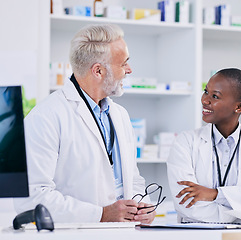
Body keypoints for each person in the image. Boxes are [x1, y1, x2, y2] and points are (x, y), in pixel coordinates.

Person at [14, 24, 155, 224]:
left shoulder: (120, 115)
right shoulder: (46, 117)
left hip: (123, 232)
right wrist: (101, 214)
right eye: (124, 64)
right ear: (98, 71)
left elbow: (132, 180)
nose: (129, 70)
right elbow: (31, 198)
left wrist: (143, 206)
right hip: (75, 234)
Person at [167, 68, 241, 224]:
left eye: (215, 96)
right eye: (205, 91)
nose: (204, 100)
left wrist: (214, 194)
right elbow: (188, 206)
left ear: (239, 107)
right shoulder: (185, 142)